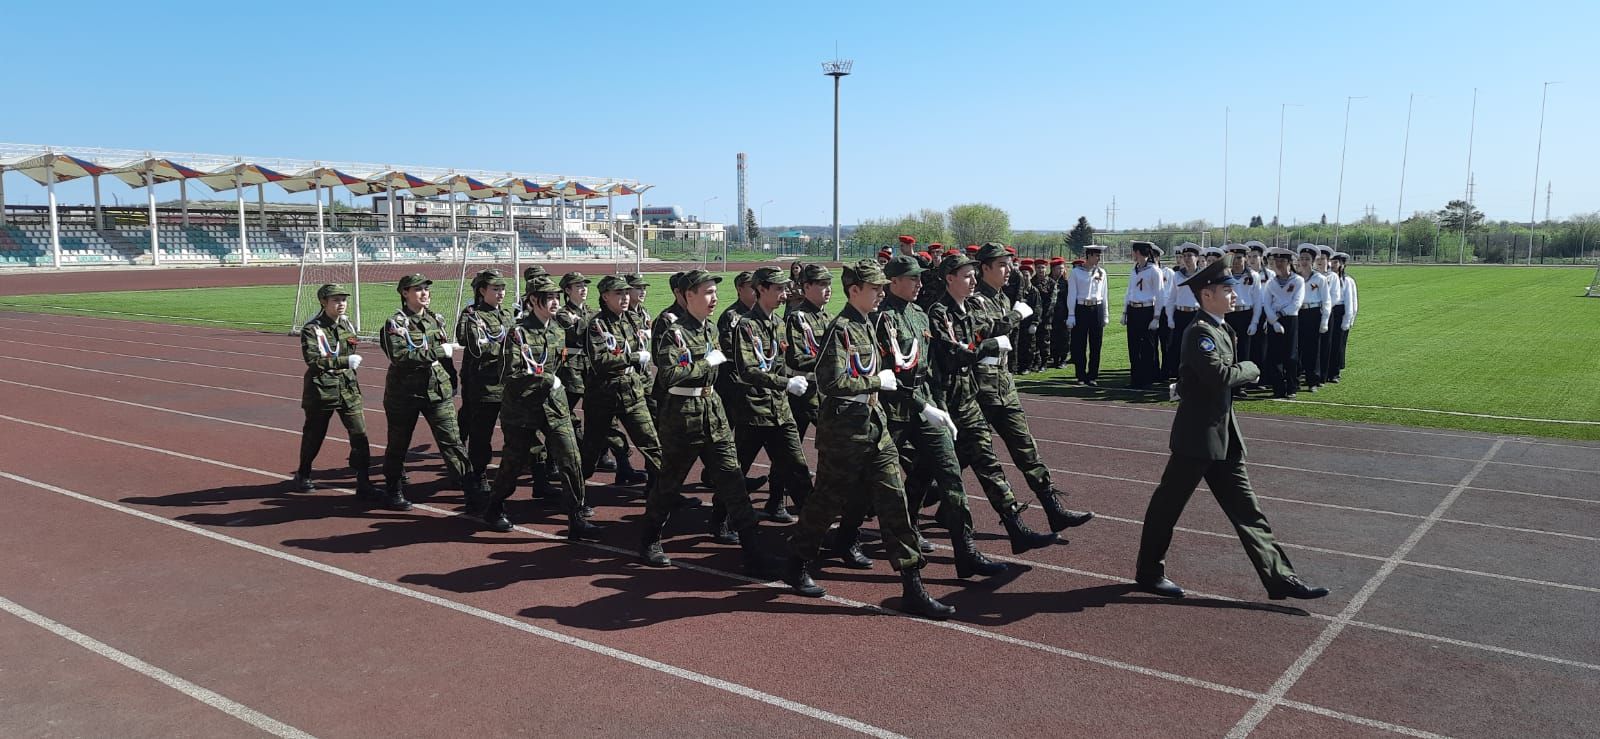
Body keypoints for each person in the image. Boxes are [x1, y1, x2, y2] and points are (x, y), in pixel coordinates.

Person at [1134, 255, 1330, 601]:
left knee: (1248, 511)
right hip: (1197, 438)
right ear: (1207, 295)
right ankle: (1149, 572)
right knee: (1167, 507)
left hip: (1225, 439)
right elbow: (1219, 376)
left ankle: (1281, 577)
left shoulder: (1222, 329)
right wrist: (1252, 367)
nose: (1234, 296)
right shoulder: (1200, 333)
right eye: (1227, 290)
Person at [781, 260, 956, 619]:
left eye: (880, 288)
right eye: (874, 288)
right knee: (826, 502)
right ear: (855, 290)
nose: (879, 294)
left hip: (875, 429)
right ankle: (797, 561)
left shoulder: (867, 325)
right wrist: (877, 382)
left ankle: (913, 586)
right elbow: (830, 382)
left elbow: (892, 377)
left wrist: (922, 407)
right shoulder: (841, 328)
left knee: (895, 504)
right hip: (844, 432)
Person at [862, 255, 1008, 578]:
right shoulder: (883, 319)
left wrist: (939, 406)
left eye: (919, 279)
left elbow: (931, 371)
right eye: (911, 279)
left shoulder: (920, 316)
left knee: (949, 473)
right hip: (895, 413)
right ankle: (845, 536)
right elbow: (892, 376)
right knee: (867, 484)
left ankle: (966, 552)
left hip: (926, 406)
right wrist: (925, 406)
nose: (918, 284)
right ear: (893, 282)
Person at [637, 270, 777, 575]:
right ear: (689, 296)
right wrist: (705, 363)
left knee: (734, 481)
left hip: (713, 412)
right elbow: (668, 374)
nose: (714, 298)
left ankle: (753, 552)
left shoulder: (709, 329)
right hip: (682, 415)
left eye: (715, 292)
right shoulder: (674, 332)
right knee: (669, 484)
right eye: (707, 292)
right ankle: (649, 540)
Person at [927, 254, 1061, 553]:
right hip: (949, 400)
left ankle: (1013, 530)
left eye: (974, 275)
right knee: (949, 470)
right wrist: (991, 342)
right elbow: (958, 352)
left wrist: (992, 336)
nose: (972, 280)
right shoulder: (940, 312)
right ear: (950, 278)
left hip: (970, 397)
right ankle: (908, 523)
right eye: (967, 275)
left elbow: (985, 332)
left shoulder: (968, 308)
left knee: (983, 464)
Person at [969, 242, 1096, 532]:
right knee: (964, 455)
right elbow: (986, 331)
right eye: (1001, 264)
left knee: (1026, 448)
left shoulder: (1002, 299)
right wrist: (1017, 315)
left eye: (1008, 264)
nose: (1008, 269)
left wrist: (1013, 313)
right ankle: (920, 499)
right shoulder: (976, 301)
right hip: (981, 392)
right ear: (985, 268)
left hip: (1004, 387)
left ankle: (1053, 509)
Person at [482, 275, 600, 539]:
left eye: (557, 296)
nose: (556, 302)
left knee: (571, 458)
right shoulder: (518, 332)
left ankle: (576, 517)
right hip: (522, 408)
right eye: (549, 297)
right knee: (513, 464)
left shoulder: (557, 329)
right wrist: (546, 378)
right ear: (534, 300)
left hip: (553, 406)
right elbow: (509, 375)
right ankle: (494, 506)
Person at [728, 266, 816, 530]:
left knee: (798, 469)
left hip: (780, 409)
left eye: (785, 288)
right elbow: (748, 370)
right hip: (753, 411)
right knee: (736, 472)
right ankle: (721, 520)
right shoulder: (746, 325)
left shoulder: (778, 323)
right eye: (778, 288)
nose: (784, 293)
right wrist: (786, 383)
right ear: (761, 289)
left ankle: (813, 529)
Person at [380, 274, 475, 512]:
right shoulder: (395, 324)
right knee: (399, 443)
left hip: (437, 390)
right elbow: (399, 357)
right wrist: (437, 353)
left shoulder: (436, 320)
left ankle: (470, 490)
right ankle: (393, 488)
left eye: (426, 289)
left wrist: (452, 380)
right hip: (405, 393)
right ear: (404, 293)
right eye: (418, 289)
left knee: (453, 442)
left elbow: (446, 358)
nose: (424, 293)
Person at [579, 275, 664, 493]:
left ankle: (664, 494)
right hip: (603, 394)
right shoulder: (597, 324)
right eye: (619, 293)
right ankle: (575, 498)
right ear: (605, 296)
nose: (625, 297)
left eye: (626, 293)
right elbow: (599, 361)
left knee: (652, 444)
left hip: (632, 390)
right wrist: (634, 358)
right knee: (590, 452)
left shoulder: (633, 320)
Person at [294, 283, 378, 499]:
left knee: (359, 435)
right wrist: (344, 361)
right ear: (324, 302)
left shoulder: (347, 324)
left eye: (343, 299)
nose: (341, 304)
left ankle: (363, 480)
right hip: (322, 390)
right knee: (314, 434)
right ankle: (304, 472)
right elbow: (313, 360)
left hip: (348, 389)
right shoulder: (312, 329)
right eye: (336, 300)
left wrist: (346, 363)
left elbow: (351, 347)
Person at [455, 269, 513, 498]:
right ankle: (477, 474)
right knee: (481, 432)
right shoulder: (472, 316)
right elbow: (472, 345)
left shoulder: (507, 315)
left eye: (502, 289)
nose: (500, 293)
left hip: (506, 383)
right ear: (482, 291)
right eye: (495, 289)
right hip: (482, 383)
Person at [784, 264, 833, 440]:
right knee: (790, 448)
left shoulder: (827, 317)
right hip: (802, 395)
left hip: (821, 392)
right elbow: (796, 359)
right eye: (822, 284)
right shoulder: (797, 318)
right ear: (806, 287)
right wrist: (832, 360)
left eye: (829, 284)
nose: (828, 289)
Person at [1221, 245, 1263, 399]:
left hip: (1246, 314)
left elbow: (1258, 301)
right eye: (1233, 258)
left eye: (1239, 258)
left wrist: (1254, 322)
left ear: (1245, 258)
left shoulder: (1253, 276)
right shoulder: (1224, 275)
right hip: (1229, 315)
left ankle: (1241, 386)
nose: (1236, 262)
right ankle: (1227, 383)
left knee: (1244, 351)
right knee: (1227, 351)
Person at [1262, 247, 1305, 398]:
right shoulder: (1270, 283)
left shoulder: (1298, 280)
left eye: (1282, 261)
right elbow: (1266, 303)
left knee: (1291, 355)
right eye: (1276, 261)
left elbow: (1297, 303)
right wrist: (1273, 321)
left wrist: (1280, 314)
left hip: (1290, 319)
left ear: (1289, 263)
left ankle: (1292, 387)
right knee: (1275, 356)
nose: (1279, 264)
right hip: (1274, 320)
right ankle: (1278, 388)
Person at [1065, 244, 1110, 386]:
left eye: (1099, 256)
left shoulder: (1102, 272)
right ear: (1089, 256)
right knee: (1080, 343)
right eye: (1096, 256)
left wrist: (1106, 314)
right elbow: (1072, 294)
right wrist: (1071, 314)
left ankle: (1092, 375)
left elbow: (1104, 294)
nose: (1098, 259)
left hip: (1097, 308)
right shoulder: (1077, 272)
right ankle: (1081, 375)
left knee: (1096, 344)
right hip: (1081, 308)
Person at [1121, 242, 1164, 389]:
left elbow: (1160, 295)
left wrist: (1156, 317)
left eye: (1133, 252)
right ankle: (1135, 378)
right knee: (1133, 345)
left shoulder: (1154, 271)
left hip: (1147, 311)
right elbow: (1129, 291)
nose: (1132, 255)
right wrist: (1125, 311)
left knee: (1147, 347)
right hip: (1133, 310)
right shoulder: (1135, 270)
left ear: (1138, 252)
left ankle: (1147, 378)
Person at [1294, 245, 1332, 392]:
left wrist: (1324, 320)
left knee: (1312, 348)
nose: (1304, 262)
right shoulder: (1295, 278)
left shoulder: (1320, 278)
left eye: (1307, 259)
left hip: (1313, 313)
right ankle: (1295, 379)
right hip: (1297, 313)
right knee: (1297, 348)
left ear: (1313, 260)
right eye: (1302, 258)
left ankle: (1312, 381)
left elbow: (1326, 300)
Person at [1163, 243, 1202, 380]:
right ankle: (1182, 378)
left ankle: (1197, 377)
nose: (1186, 258)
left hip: (1196, 315)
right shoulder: (1177, 275)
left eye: (1190, 256)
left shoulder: (1202, 275)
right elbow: (1171, 297)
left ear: (1197, 257)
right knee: (1180, 347)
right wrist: (1170, 318)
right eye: (1184, 256)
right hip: (1181, 314)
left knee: (1197, 347)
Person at [1328, 252, 1357, 383]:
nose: (1332, 265)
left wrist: (1349, 319)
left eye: (1336, 262)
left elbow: (1351, 301)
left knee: (1338, 343)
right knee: (1326, 343)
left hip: (1340, 312)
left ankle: (1335, 371)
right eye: (1331, 262)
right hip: (1327, 310)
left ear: (1342, 265)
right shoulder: (1326, 278)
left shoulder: (1347, 281)